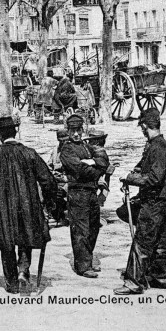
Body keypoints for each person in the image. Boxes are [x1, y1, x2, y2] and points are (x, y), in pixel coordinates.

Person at [0, 116, 57, 293]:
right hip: (27, 206)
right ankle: (24, 270)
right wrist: (51, 202)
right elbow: (48, 180)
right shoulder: (29, 153)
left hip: (2, 209)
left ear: (0, 137)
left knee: (6, 244)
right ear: (16, 132)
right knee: (25, 238)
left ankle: (12, 283)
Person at [115, 108, 166, 295]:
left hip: (154, 201)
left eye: (142, 126)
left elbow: (154, 178)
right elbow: (143, 168)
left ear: (145, 126)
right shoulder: (158, 145)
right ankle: (159, 275)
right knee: (161, 239)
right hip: (162, 201)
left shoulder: (157, 147)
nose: (141, 130)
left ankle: (133, 282)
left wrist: (131, 179)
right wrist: (134, 174)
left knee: (143, 240)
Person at [59, 114, 110, 278]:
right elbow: (79, 170)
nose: (76, 134)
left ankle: (87, 260)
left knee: (94, 227)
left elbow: (104, 162)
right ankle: (83, 265)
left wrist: (93, 163)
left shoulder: (88, 146)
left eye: (78, 130)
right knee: (81, 229)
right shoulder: (66, 149)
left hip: (91, 192)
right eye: (72, 131)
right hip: (77, 192)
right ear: (68, 131)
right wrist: (94, 166)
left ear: (82, 130)